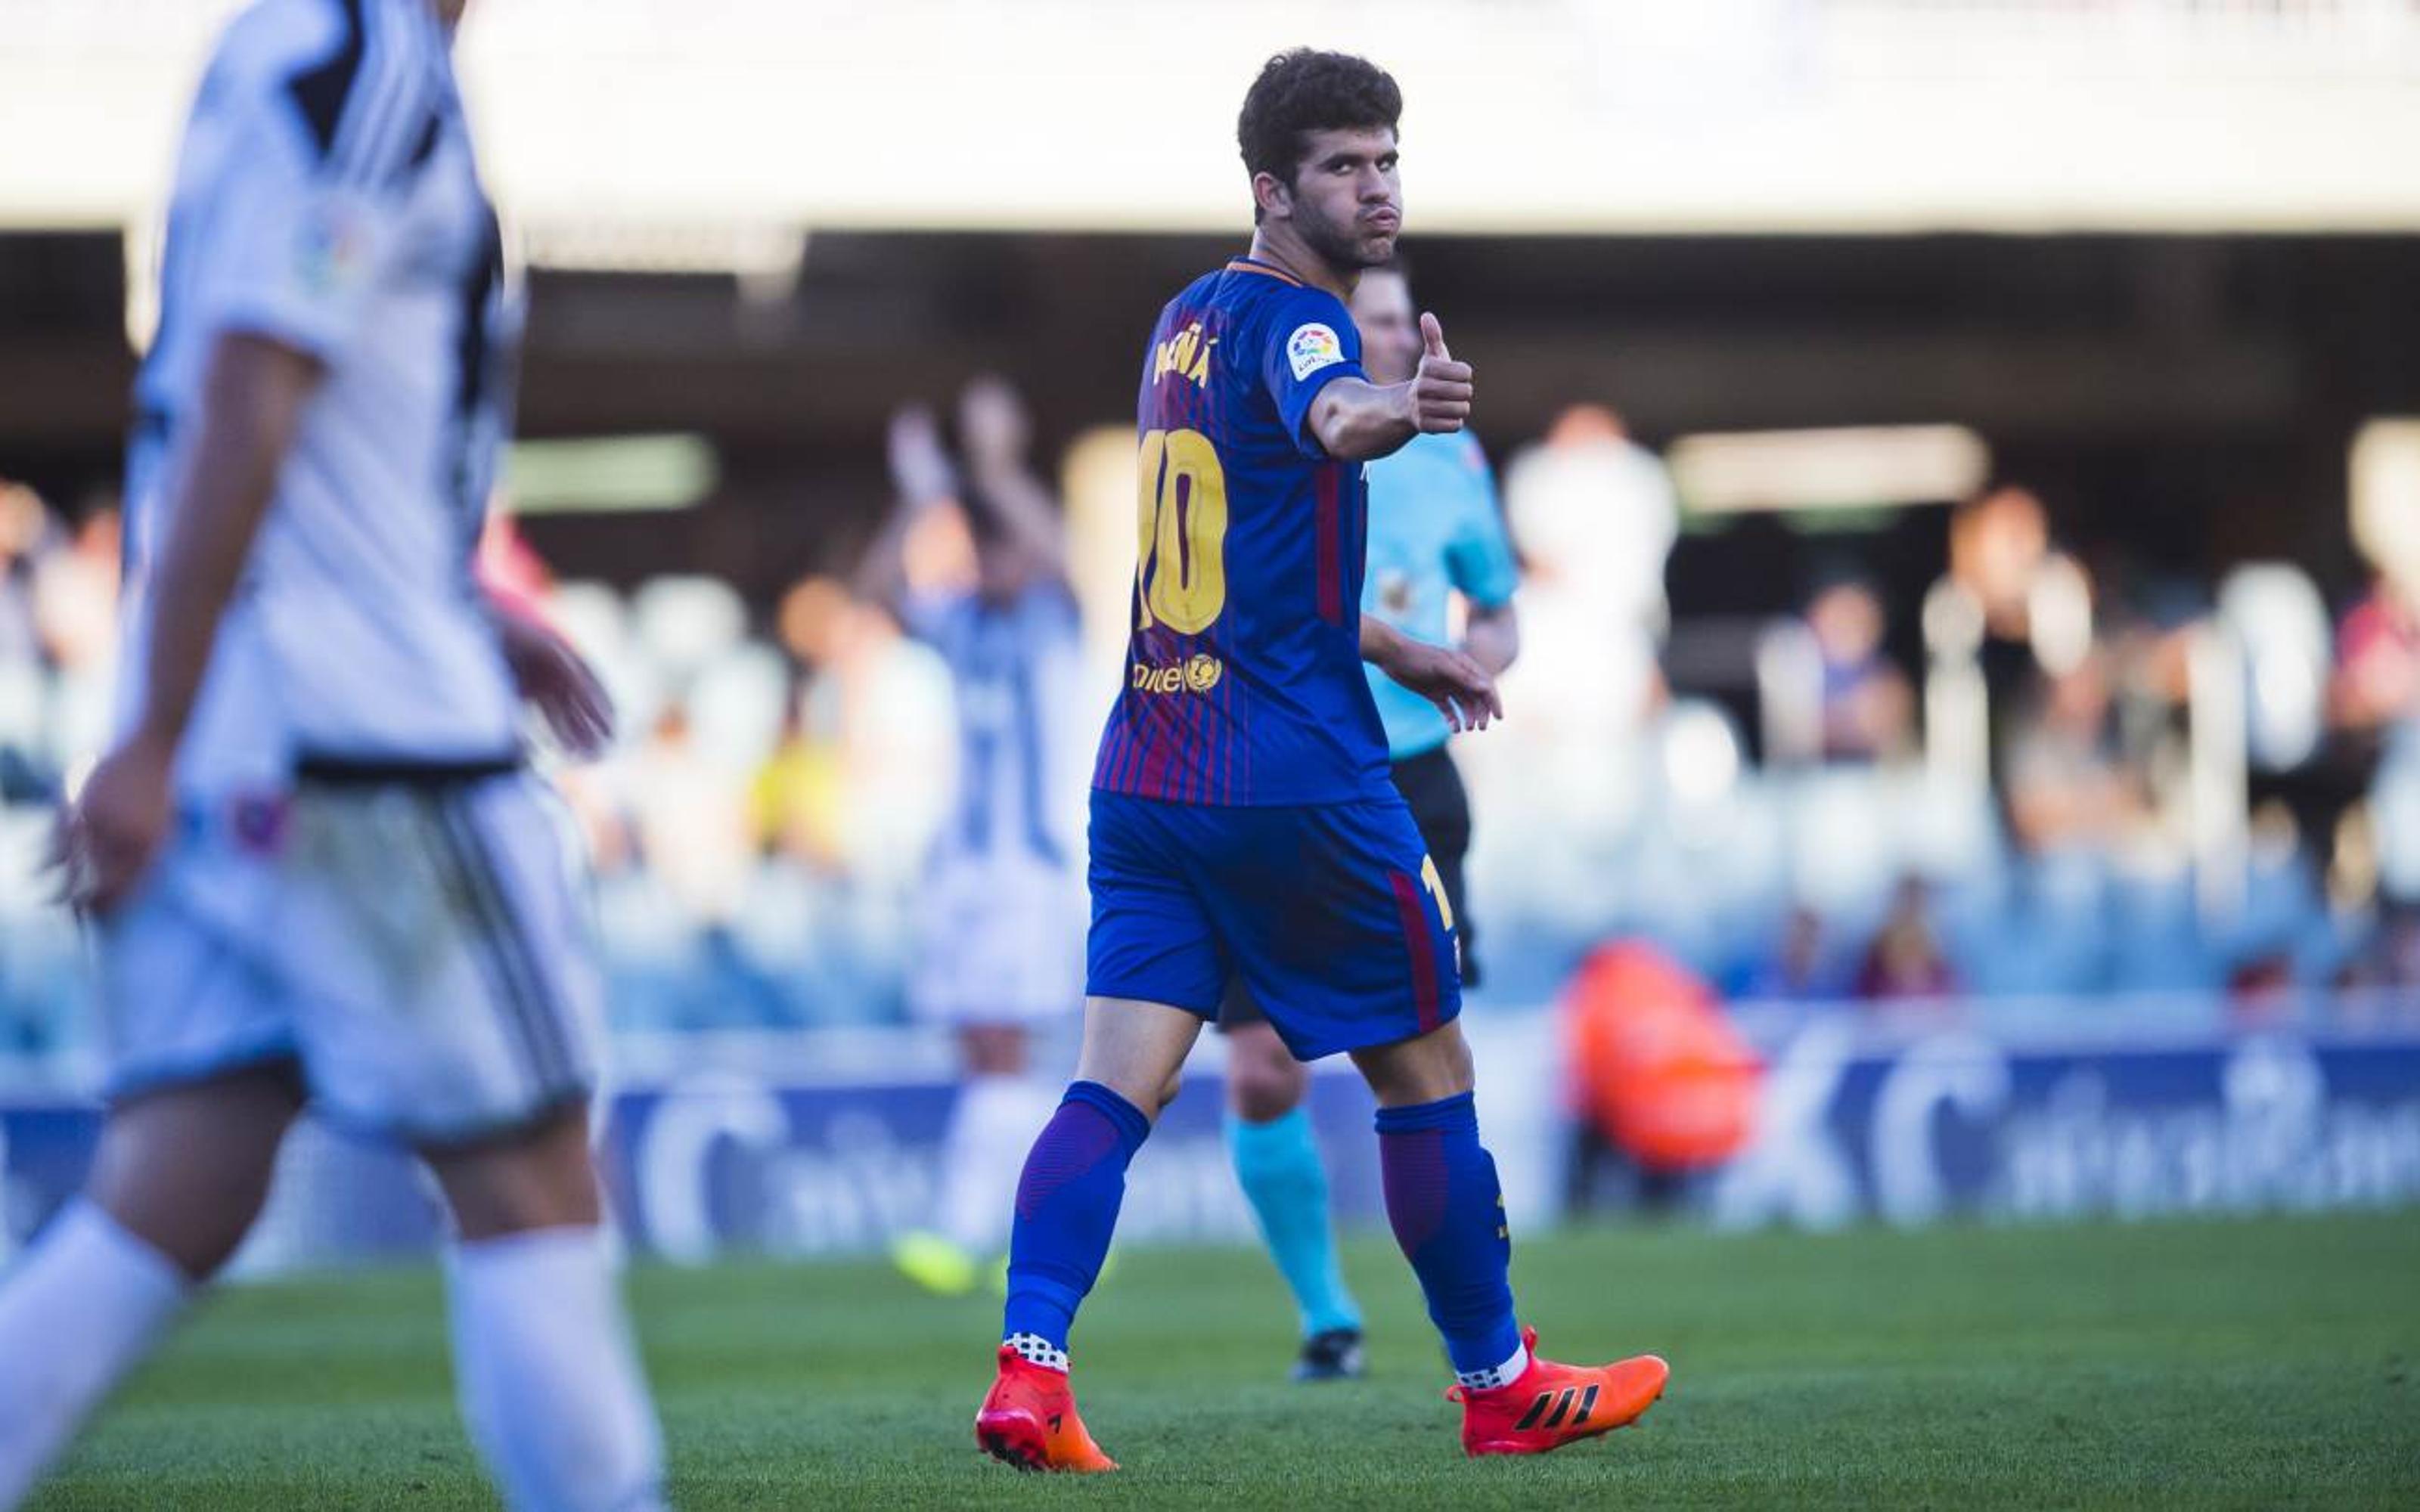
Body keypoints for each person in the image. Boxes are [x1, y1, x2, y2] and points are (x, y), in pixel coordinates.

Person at [0, 4, 666, 1508]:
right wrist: (152, 734)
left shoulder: (285, 46)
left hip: (267, 704)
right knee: (535, 1159)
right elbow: (254, 387)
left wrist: (462, 611)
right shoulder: (369, 55)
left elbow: (307, 413)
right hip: (357, 735)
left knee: (185, 1173)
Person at [974, 48, 1668, 1473]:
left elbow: (1245, 558)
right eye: (1347, 163)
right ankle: (1499, 1383)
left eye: (1388, 157)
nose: (1379, 186)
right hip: (1291, 780)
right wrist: (1395, 409)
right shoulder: (1305, 329)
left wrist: (1399, 646)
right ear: (1271, 187)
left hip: (1150, 770)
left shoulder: (1183, 322)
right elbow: (1333, 414)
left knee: (1117, 1086)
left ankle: (1030, 1374)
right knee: (1427, 1075)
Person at [1214, 259, 1521, 1383]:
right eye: (1368, 324)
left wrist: (1473, 668)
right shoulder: (1282, 437)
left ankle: (1481, 1335)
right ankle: (1327, 1312)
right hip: (1282, 776)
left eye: (1400, 321)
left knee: (1434, 1056)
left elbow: (1497, 605)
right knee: (1260, 1070)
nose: (1390, 338)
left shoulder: (1455, 461)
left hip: (1409, 775)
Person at [862, 380, 1087, 1295]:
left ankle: (964, 1230)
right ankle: (1026, 1228)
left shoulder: (1055, 622)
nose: (994, 563)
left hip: (1022, 866)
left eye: (1005, 548)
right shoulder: (961, 624)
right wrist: (923, 497)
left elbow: (1064, 556)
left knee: (1003, 1046)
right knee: (978, 1049)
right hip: (960, 860)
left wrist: (997, 468)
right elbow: (875, 591)